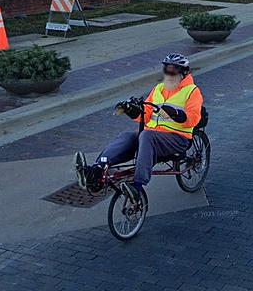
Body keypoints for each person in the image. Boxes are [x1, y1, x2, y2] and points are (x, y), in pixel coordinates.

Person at [74, 54, 204, 202]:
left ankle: (138, 186)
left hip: (178, 138)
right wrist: (130, 110)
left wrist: (174, 113)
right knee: (127, 136)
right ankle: (97, 170)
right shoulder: (158, 89)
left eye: (173, 70)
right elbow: (145, 115)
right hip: (154, 134)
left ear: (183, 73)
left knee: (146, 136)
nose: (168, 74)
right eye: (166, 70)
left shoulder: (192, 91)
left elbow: (193, 119)